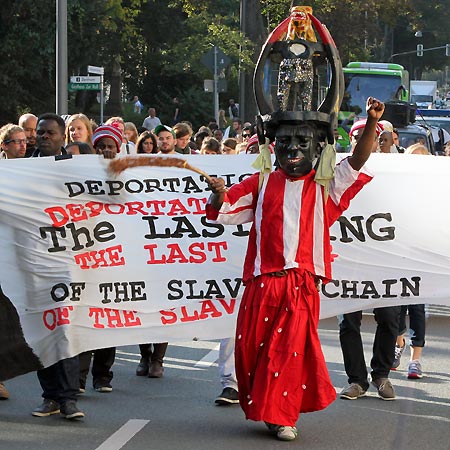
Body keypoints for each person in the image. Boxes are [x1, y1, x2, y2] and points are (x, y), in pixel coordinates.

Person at [206, 97, 385, 441]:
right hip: (261, 285)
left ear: (317, 149)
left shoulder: (326, 186)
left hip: (300, 285)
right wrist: (216, 194)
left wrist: (372, 122)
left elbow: (357, 162)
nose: (293, 148)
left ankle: (282, 416)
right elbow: (225, 209)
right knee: (255, 353)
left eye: (302, 142)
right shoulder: (259, 183)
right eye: (285, 141)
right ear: (274, 147)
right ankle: (270, 410)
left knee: (287, 353)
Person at [339, 116, 401, 403]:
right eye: (355, 137)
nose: (359, 142)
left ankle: (381, 374)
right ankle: (356, 380)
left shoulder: (397, 170)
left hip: (385, 260)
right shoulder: (339, 168)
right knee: (348, 322)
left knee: (389, 318)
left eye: (368, 137)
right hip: (348, 259)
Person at [31, 113, 83, 420]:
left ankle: (68, 398)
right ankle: (49, 396)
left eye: (50, 132)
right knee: (41, 330)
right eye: (40, 132)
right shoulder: (21, 168)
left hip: (67, 260)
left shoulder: (76, 169)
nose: (44, 136)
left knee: (65, 329)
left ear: (63, 137)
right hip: (33, 260)